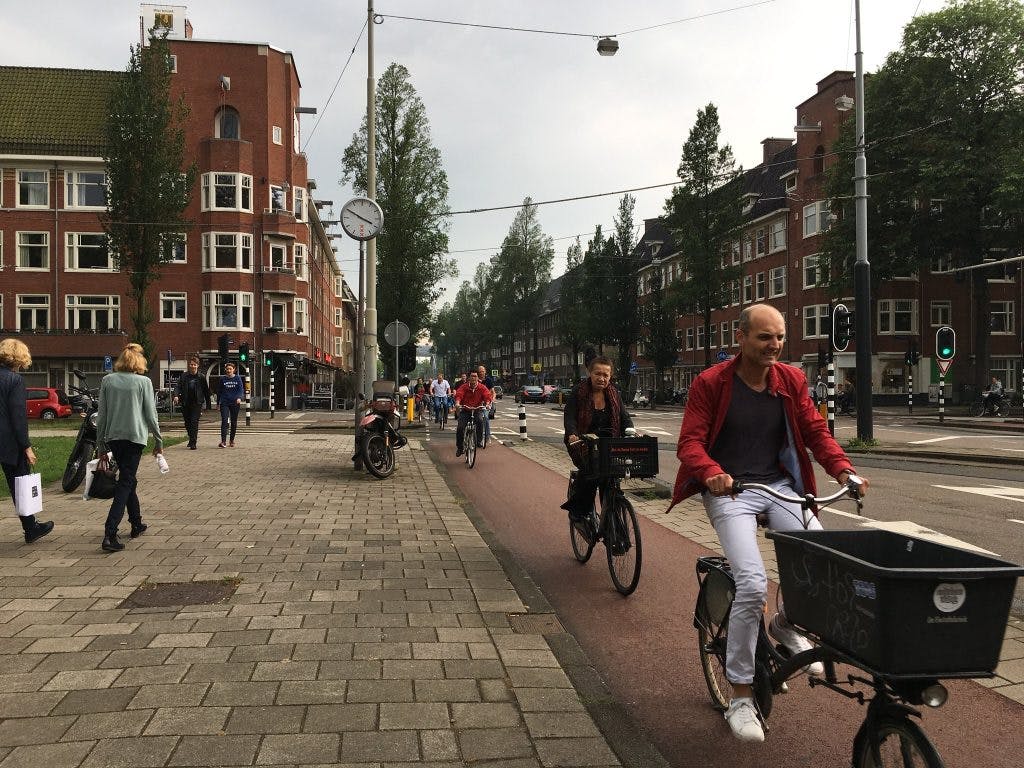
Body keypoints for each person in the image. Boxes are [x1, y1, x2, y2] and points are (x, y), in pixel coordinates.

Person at [670, 304, 868, 743]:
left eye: (779, 336)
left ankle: (785, 625)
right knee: (753, 582)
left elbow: (815, 431)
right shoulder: (711, 383)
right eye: (764, 337)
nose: (774, 345)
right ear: (740, 338)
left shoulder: (791, 381)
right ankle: (740, 695)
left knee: (819, 559)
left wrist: (843, 470)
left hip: (779, 484)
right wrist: (710, 473)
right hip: (730, 490)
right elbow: (690, 442)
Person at [95, 342, 163, 552]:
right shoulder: (143, 382)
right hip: (135, 438)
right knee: (125, 482)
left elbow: (102, 414)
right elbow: (151, 415)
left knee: (128, 478)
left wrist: (100, 444)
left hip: (114, 437)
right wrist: (158, 441)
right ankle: (110, 532)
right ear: (139, 362)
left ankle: (136, 523)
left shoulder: (108, 380)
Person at [561, 356, 634, 525]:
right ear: (590, 373)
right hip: (582, 442)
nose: (601, 378)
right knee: (592, 472)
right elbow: (570, 416)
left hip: (608, 443)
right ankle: (579, 510)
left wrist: (631, 431)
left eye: (605, 375)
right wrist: (572, 433)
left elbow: (624, 417)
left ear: (610, 376)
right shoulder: (579, 392)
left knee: (611, 476)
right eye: (597, 374)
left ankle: (612, 517)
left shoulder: (614, 394)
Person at [0, 339, 54, 544]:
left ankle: (31, 526)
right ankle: (31, 527)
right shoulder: (15, 380)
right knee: (19, 484)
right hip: (9, 442)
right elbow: (18, 417)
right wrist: (26, 446)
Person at [173, 356, 211, 450]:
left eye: (194, 364)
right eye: (191, 364)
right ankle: (191, 438)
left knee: (194, 422)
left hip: (197, 403)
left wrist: (208, 406)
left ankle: (193, 442)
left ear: (197, 365)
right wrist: (176, 395)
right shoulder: (184, 376)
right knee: (187, 423)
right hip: (186, 402)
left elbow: (206, 391)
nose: (193, 366)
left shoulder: (201, 377)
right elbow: (178, 386)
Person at [454, 371, 492, 457]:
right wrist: (457, 403)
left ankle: (478, 441)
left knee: (480, 420)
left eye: (475, 376)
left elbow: (487, 396)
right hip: (465, 410)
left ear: (478, 378)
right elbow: (459, 394)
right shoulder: (464, 387)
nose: (473, 378)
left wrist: (487, 404)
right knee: (460, 428)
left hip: (477, 410)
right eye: (472, 376)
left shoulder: (482, 387)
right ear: (469, 378)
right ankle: (460, 448)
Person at [217, 363, 244, 447]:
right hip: (224, 402)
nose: (229, 370)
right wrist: (218, 403)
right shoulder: (222, 379)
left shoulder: (237, 378)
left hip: (235, 402)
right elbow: (219, 391)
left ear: (234, 369)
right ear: (225, 370)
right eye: (227, 369)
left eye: (230, 369)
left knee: (233, 422)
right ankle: (223, 441)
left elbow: (241, 389)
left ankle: (231, 440)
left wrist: (239, 397)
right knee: (224, 421)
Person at [477, 365, 495, 444]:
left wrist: (492, 399)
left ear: (485, 372)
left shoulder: (489, 380)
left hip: (486, 402)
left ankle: (487, 436)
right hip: (477, 402)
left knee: (486, 418)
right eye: (480, 371)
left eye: (483, 371)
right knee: (477, 419)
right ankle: (476, 436)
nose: (481, 373)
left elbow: (493, 392)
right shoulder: (476, 380)